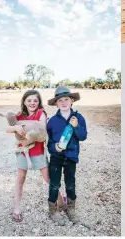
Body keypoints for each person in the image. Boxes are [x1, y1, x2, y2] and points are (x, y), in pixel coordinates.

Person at [6, 89, 64, 222]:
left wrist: (28, 140)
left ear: (39, 102)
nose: (32, 103)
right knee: (21, 177)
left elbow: (42, 130)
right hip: (23, 152)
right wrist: (15, 128)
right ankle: (17, 208)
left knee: (48, 178)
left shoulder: (40, 113)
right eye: (29, 100)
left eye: (35, 100)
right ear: (24, 102)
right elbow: (8, 128)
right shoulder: (19, 115)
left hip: (38, 152)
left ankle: (61, 200)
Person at [47, 85, 87, 225]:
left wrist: (76, 126)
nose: (63, 102)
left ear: (72, 101)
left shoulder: (78, 117)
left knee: (70, 184)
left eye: (66, 99)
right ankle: (53, 210)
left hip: (71, 157)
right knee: (54, 184)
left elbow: (83, 137)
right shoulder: (52, 121)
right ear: (56, 103)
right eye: (60, 100)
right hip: (56, 158)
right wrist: (54, 147)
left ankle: (71, 209)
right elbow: (49, 142)